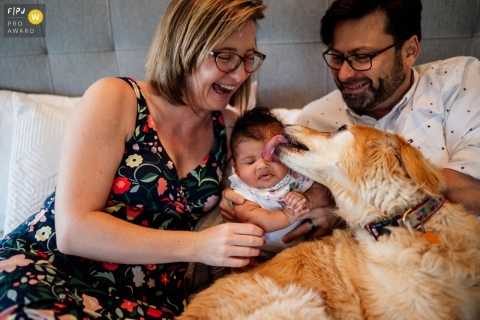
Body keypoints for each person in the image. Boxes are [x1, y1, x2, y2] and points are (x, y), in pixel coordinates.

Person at [0, 0, 267, 318]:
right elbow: (74, 230)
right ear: (184, 45)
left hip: (149, 300)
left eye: (249, 59)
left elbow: (275, 185)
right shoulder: (117, 98)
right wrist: (198, 245)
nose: (239, 74)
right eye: (225, 57)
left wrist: (315, 210)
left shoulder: (230, 127)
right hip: (50, 272)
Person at [222, 0, 480, 241]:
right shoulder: (317, 121)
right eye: (337, 57)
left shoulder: (459, 82)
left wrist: (339, 207)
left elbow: (474, 189)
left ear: (409, 50)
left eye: (362, 57)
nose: (344, 74)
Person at [229, 107, 331, 261]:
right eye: (250, 161)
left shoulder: (296, 175)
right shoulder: (243, 191)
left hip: (306, 248)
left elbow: (325, 193)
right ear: (235, 167)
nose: (262, 165)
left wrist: (307, 199)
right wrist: (288, 216)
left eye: (272, 156)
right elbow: (256, 220)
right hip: (262, 257)